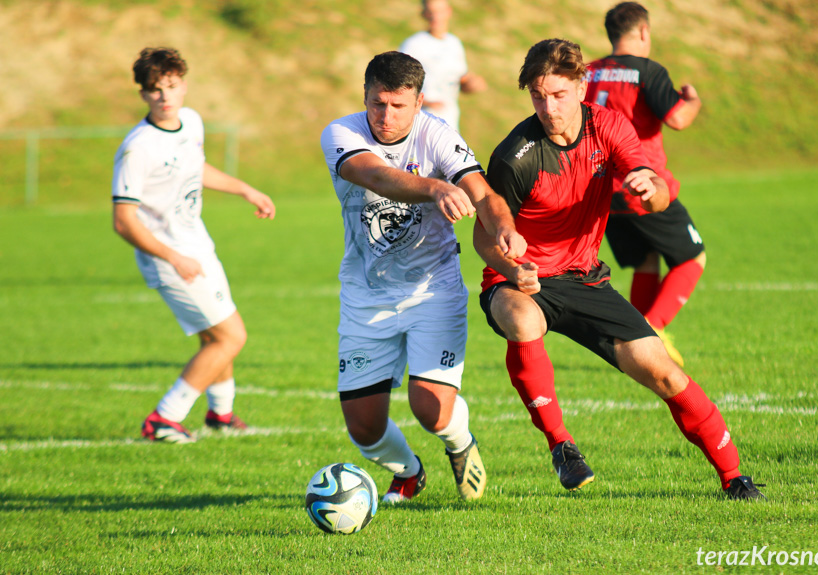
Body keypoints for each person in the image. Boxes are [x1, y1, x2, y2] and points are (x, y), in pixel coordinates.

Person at [473, 38, 765, 500]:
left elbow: (657, 193)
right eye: (537, 95)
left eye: (559, 94)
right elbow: (483, 238)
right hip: (521, 281)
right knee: (524, 322)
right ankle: (562, 446)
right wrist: (510, 267)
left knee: (665, 373)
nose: (548, 108)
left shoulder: (608, 127)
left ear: (581, 86)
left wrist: (651, 189)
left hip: (585, 277)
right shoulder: (515, 155)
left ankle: (735, 477)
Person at [320, 51, 526, 503]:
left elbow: (483, 194)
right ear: (366, 96)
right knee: (365, 428)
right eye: (378, 103)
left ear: (419, 103)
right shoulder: (341, 133)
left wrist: (505, 228)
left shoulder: (438, 134)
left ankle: (459, 442)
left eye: (398, 106)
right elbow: (374, 175)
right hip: (365, 295)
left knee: (431, 410)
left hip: (432, 290)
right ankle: (409, 474)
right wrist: (435, 187)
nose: (386, 116)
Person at [112, 47, 276, 443]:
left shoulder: (191, 122)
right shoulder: (138, 147)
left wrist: (245, 189)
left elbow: (195, 168)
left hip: (198, 244)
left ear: (184, 85)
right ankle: (163, 419)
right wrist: (173, 257)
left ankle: (220, 414)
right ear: (142, 95)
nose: (165, 97)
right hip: (170, 257)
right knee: (230, 337)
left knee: (214, 336)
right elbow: (123, 221)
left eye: (171, 86)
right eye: (154, 90)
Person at [584, 2, 705, 367]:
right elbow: (679, 119)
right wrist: (693, 99)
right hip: (644, 187)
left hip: (603, 190)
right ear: (643, 32)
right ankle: (651, 328)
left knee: (646, 262)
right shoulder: (647, 71)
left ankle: (632, 345)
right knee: (692, 258)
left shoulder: (587, 73)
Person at [399, 0, 487, 131]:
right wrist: (425, 102)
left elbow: (460, 79)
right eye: (431, 12)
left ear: (448, 12)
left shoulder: (454, 43)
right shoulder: (413, 45)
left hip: (449, 123)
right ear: (424, 14)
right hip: (421, 122)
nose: (436, 17)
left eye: (439, 11)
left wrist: (472, 84)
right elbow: (397, 83)